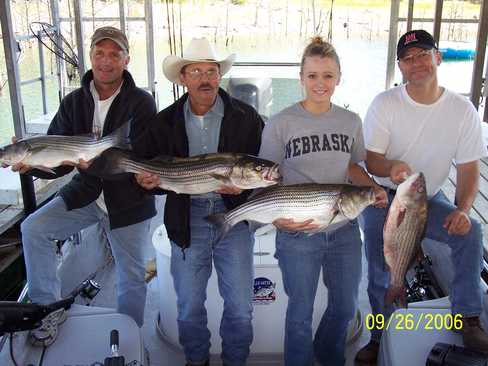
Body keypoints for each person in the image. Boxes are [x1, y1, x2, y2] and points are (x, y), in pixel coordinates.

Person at [12, 27, 157, 335]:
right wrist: (30, 166)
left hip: (129, 199)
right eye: (99, 54)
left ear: (126, 59)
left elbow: (142, 156)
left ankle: (130, 333)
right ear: (90, 57)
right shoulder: (73, 102)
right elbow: (59, 165)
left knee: (131, 275)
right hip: (86, 193)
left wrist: (95, 163)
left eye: (114, 55)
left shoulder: (141, 102)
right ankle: (47, 311)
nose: (106, 61)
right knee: (33, 228)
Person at [355, 29, 488, 365]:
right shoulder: (385, 103)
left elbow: (470, 167)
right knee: (378, 269)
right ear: (400, 66)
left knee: (471, 233)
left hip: (424, 197)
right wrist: (392, 167)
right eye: (408, 58)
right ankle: (376, 336)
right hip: (380, 196)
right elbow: (371, 161)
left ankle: (468, 319)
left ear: (438, 57)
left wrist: (462, 209)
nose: (416, 63)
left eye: (423, 54)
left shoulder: (461, 109)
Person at [134, 37, 264, 366]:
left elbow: (264, 168)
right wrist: (147, 182)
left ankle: (235, 361)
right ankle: (197, 360)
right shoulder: (162, 122)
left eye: (211, 71)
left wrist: (243, 192)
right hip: (185, 217)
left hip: (233, 215)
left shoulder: (247, 117)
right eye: (196, 71)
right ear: (183, 78)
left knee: (240, 308)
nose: (205, 78)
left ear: (220, 75)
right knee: (189, 306)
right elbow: (150, 171)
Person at [258, 36, 387, 366]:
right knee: (299, 311)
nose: (320, 83)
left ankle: (328, 357)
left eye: (328, 75)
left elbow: (352, 166)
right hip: (297, 230)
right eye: (312, 76)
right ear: (301, 78)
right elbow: (266, 180)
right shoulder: (280, 122)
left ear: (339, 78)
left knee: (344, 307)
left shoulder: (350, 121)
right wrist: (276, 220)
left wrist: (372, 187)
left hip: (344, 229)